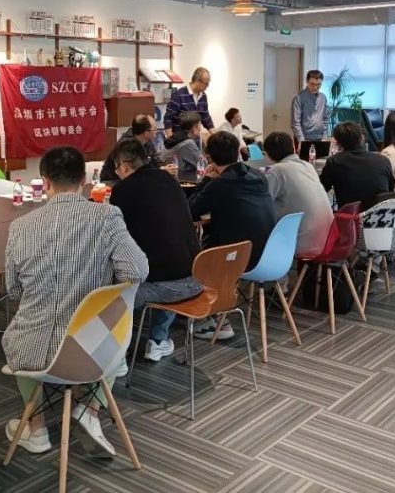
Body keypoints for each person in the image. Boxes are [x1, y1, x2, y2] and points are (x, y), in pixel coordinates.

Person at [1, 146, 148, 458]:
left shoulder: (20, 227)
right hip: (92, 349)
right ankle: (89, 410)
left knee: (20, 335)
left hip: (33, 351)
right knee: (116, 337)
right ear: (83, 180)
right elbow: (137, 271)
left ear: (44, 182)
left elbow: (13, 290)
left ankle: (37, 428)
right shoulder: (107, 216)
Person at [108, 139, 202, 362]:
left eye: (116, 168)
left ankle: (116, 355)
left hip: (163, 286)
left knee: (109, 287)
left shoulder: (122, 191)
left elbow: (116, 239)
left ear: (124, 166)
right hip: (197, 276)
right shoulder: (169, 180)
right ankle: (158, 341)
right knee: (165, 257)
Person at [188, 131, 276, 340]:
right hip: (269, 253)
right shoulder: (258, 176)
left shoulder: (220, 184)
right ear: (238, 152)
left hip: (238, 258)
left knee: (197, 254)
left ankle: (214, 318)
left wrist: (207, 180)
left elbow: (190, 210)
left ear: (209, 157)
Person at [262, 131, 334, 252]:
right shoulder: (308, 166)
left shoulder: (276, 171)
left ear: (268, 154)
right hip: (329, 238)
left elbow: (263, 204)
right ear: (294, 148)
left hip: (303, 244)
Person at [319, 121, 395, 211]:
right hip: (380, 217)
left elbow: (321, 190)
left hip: (350, 217)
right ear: (362, 138)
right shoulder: (383, 160)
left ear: (338, 143)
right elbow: (391, 191)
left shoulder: (334, 162)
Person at [100, 114, 163, 182]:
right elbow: (132, 172)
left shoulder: (147, 141)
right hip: (113, 180)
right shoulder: (126, 145)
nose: (156, 131)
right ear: (146, 134)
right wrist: (157, 172)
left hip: (134, 179)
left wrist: (163, 169)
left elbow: (156, 161)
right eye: (155, 129)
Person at [292, 70, 330, 161]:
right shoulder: (299, 98)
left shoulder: (323, 97)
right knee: (304, 164)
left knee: (320, 163)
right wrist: (301, 140)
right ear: (307, 81)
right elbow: (295, 123)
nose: (315, 87)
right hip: (304, 139)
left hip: (320, 139)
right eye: (312, 84)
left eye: (318, 84)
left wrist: (324, 136)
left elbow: (326, 118)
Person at [164, 67, 213, 134]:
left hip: (195, 136)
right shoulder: (179, 95)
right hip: (180, 137)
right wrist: (170, 137)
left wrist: (214, 132)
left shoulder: (203, 96)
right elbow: (168, 118)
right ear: (197, 81)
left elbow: (205, 116)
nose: (207, 86)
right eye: (206, 83)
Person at [163, 110, 203, 176]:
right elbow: (202, 165)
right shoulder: (187, 143)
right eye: (199, 124)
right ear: (194, 127)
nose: (200, 128)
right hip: (171, 177)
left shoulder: (178, 137)